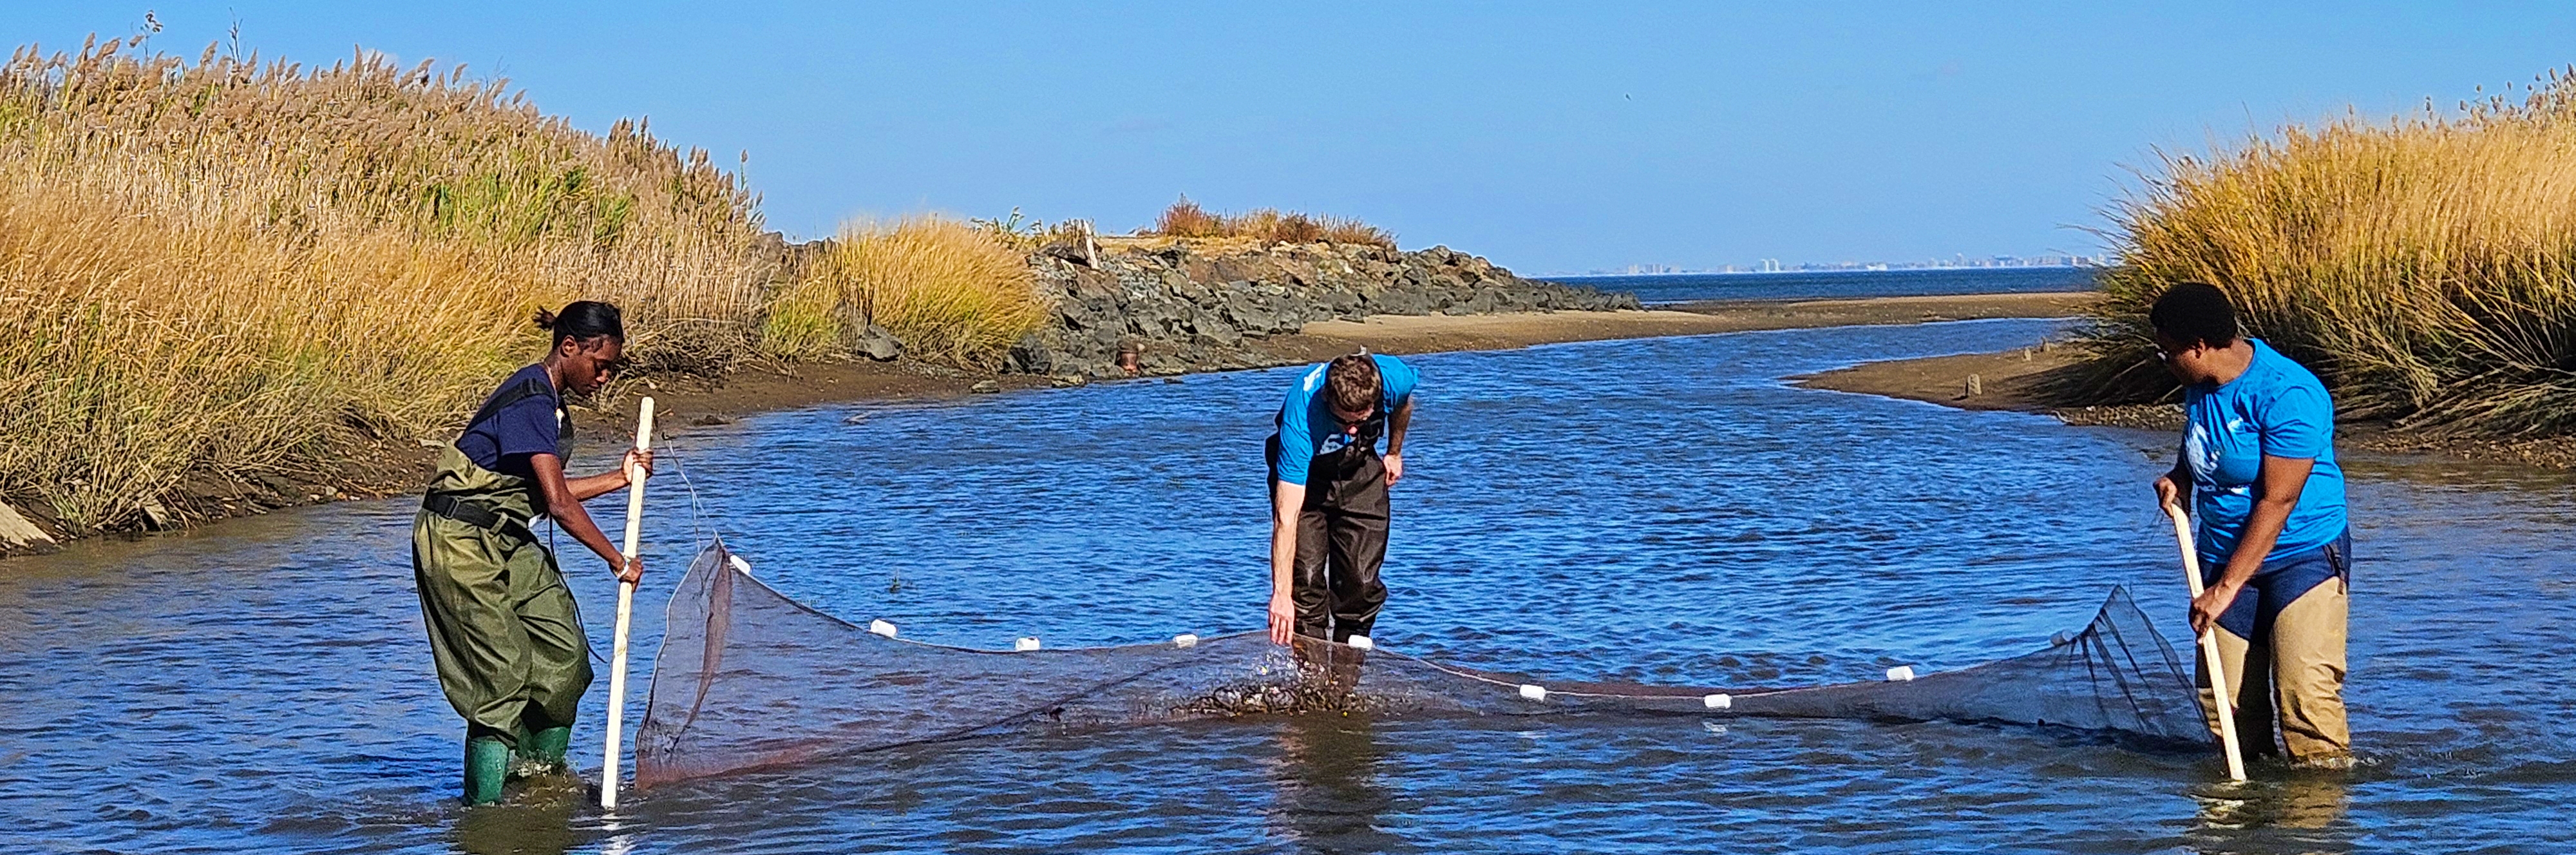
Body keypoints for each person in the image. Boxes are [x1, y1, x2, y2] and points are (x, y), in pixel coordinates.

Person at [412, 300, 652, 805]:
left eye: (611, 367)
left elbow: (544, 493)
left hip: (506, 535)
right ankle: (485, 813)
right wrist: (617, 560)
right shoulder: (531, 399)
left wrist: (619, 476)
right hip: (457, 541)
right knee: (502, 677)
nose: (605, 377)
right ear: (569, 348)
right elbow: (560, 505)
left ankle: (537, 777)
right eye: (600, 364)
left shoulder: (553, 403)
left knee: (565, 658)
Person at [2147, 282, 2353, 767]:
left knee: (2305, 697)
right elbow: (2205, 441)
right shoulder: (2198, 386)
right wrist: (2182, 477)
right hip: (2220, 553)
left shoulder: (2289, 393)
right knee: (2227, 707)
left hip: (2300, 554)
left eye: (2168, 351)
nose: (2164, 361)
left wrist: (2226, 588)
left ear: (2199, 346)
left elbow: (2277, 501)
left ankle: (2316, 821)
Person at [1265, 352, 1419, 648]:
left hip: (1361, 475)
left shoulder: (1393, 378)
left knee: (1360, 587)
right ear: (1327, 399)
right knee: (1306, 588)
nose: (1351, 430)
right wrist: (1281, 595)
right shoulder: (1300, 421)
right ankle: (1315, 685)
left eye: (1359, 421)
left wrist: (1394, 451)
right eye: (1343, 421)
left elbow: (1403, 405)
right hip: (1309, 484)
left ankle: (1344, 685)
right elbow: (1286, 517)